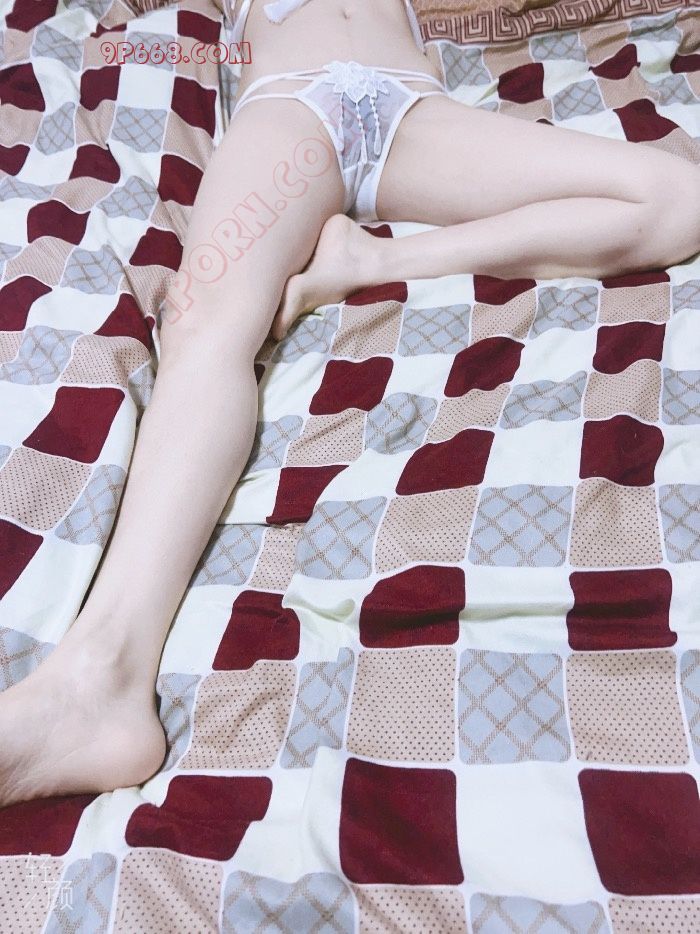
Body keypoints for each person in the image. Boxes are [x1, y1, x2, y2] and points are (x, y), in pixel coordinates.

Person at [0, 0, 698, 808]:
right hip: (290, 110)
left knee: (678, 195)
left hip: (411, 113)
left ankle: (367, 262)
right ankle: (101, 677)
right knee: (205, 322)